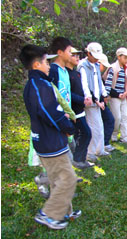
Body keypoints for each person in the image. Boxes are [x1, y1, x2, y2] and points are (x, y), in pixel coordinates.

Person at [20, 44, 81, 230]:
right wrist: (68, 127)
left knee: (58, 178)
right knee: (68, 178)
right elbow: (50, 113)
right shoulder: (39, 86)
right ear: (37, 65)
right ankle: (48, 215)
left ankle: (65, 211)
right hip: (50, 142)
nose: (49, 66)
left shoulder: (38, 84)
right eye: (46, 62)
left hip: (50, 140)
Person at [77, 42, 112, 158]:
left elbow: (99, 82)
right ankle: (90, 152)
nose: (96, 59)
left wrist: (104, 94)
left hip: (98, 100)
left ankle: (100, 149)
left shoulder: (96, 65)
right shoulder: (83, 66)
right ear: (88, 53)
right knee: (93, 127)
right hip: (90, 102)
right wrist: (91, 98)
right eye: (94, 56)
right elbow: (84, 84)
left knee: (100, 126)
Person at [67, 47, 95, 169]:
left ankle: (81, 158)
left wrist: (90, 97)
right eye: (73, 55)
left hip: (80, 109)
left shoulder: (76, 73)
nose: (77, 57)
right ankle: (78, 159)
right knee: (85, 133)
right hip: (72, 111)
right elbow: (67, 93)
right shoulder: (65, 74)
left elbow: (83, 88)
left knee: (84, 133)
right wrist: (81, 100)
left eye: (78, 55)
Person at [103, 47, 127, 144]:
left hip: (124, 96)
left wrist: (126, 92)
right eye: (125, 57)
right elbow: (108, 83)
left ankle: (125, 137)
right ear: (119, 57)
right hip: (114, 97)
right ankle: (114, 135)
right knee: (117, 117)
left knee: (125, 116)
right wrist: (107, 96)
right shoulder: (113, 68)